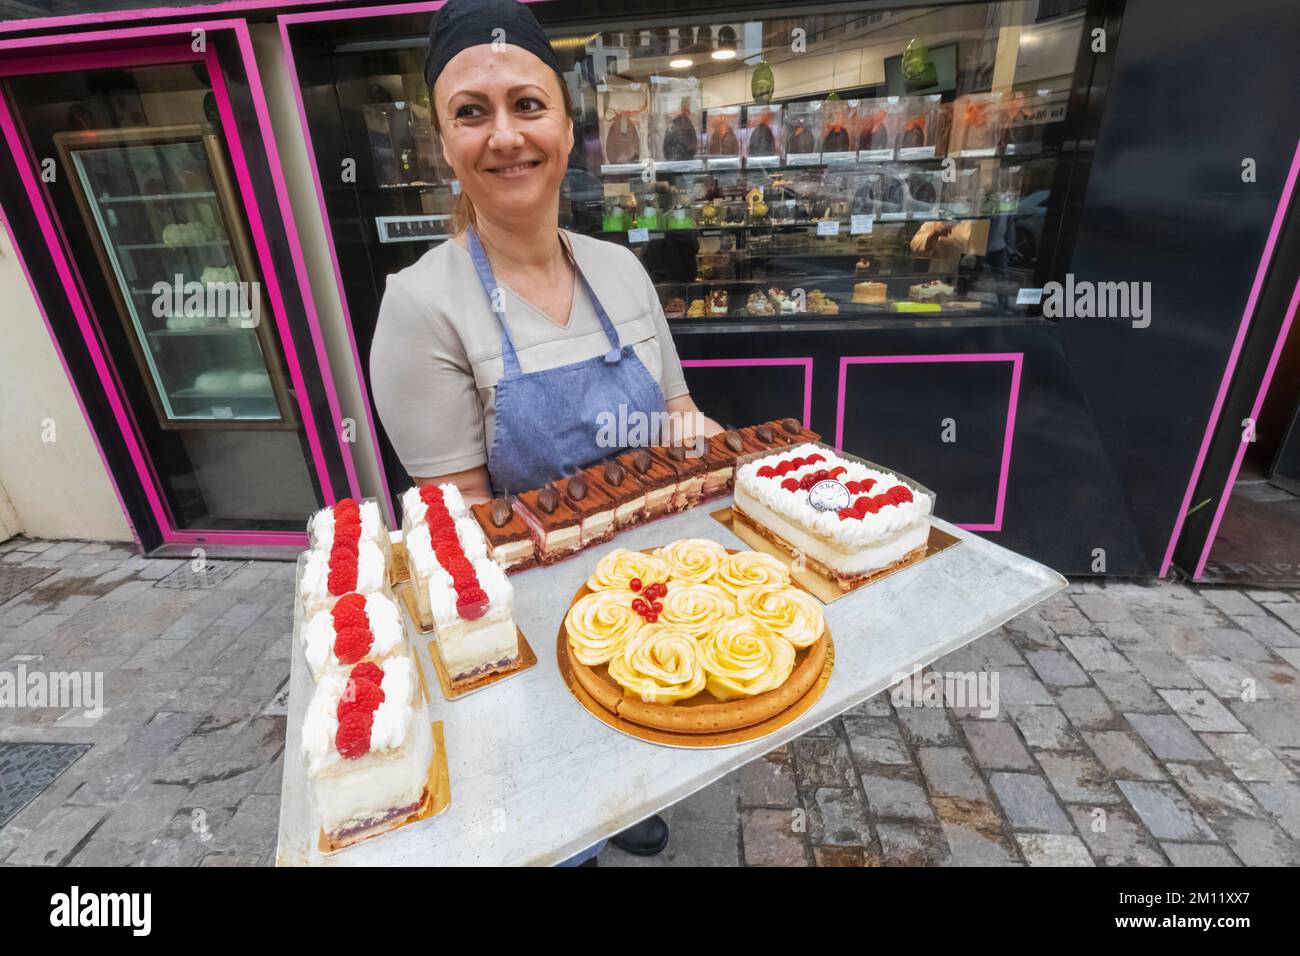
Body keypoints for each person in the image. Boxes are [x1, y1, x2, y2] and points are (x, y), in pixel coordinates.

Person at [369, 0, 721, 864]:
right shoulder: (421, 306)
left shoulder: (621, 269)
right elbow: (468, 530)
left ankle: (631, 786)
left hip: (658, 589)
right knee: (558, 828)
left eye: (527, 104)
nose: (505, 136)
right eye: (470, 113)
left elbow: (676, 415)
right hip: (531, 621)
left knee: (646, 748)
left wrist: (715, 451)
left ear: (567, 127)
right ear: (444, 144)